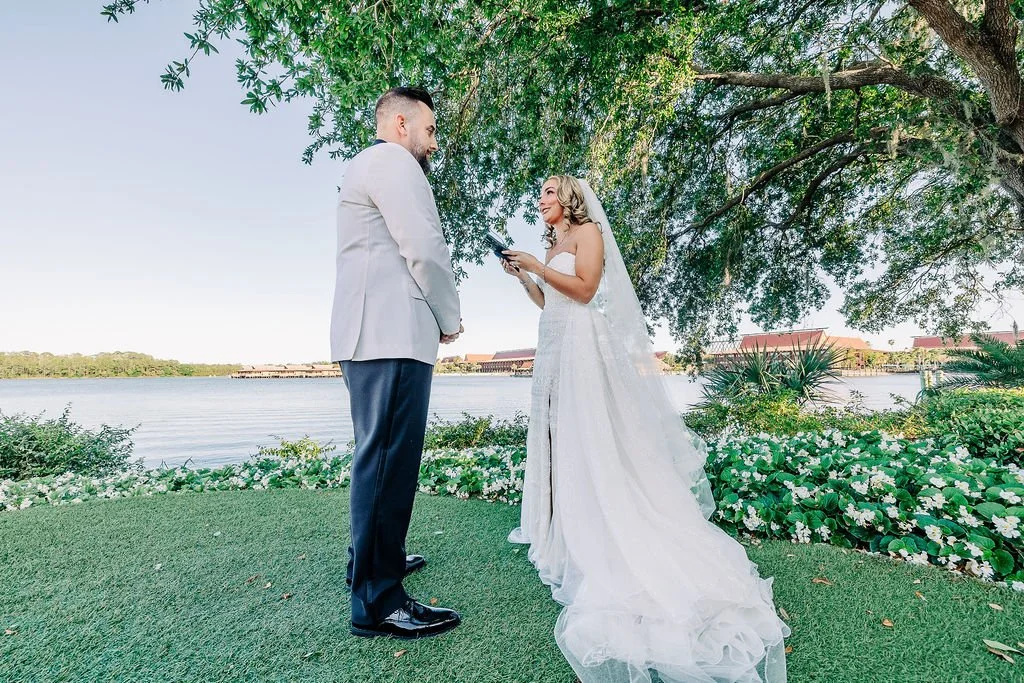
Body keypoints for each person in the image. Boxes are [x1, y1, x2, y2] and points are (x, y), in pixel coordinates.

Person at [501, 175, 790, 682]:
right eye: (539, 194)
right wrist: (525, 277)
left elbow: (586, 291)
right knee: (557, 440)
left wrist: (536, 264)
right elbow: (552, 301)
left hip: (582, 349)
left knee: (588, 437)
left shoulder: (588, 232)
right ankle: (559, 525)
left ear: (569, 198)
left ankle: (608, 524)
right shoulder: (553, 244)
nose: (540, 200)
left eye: (548, 192)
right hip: (553, 346)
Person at [330, 86, 463, 640]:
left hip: (372, 334)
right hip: (392, 335)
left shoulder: (367, 167)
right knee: (388, 462)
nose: (434, 143)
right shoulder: (393, 162)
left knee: (378, 459)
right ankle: (378, 600)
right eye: (430, 130)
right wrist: (450, 319)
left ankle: (372, 563)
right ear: (402, 123)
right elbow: (425, 248)